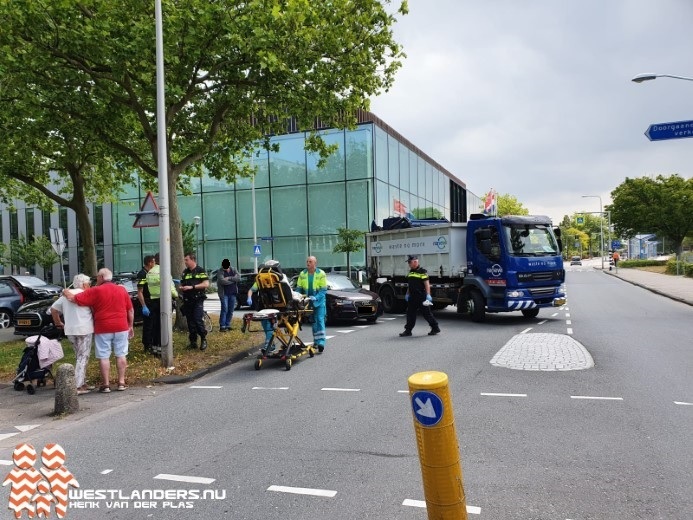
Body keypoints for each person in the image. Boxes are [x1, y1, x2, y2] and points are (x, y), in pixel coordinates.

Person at [64, 268, 134, 393]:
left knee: (103, 356)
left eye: (97, 277)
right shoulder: (122, 290)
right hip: (121, 326)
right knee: (121, 354)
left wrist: (65, 291)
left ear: (101, 277)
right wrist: (131, 326)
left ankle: (106, 385)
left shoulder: (95, 290)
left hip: (103, 327)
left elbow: (74, 298)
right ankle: (121, 382)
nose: (96, 279)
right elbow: (130, 310)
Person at [50, 273, 94, 395]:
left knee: (78, 356)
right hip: (84, 329)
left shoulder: (65, 296)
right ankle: (78, 385)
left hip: (70, 330)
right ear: (85, 284)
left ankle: (82, 381)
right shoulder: (86, 294)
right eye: (89, 284)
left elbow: (53, 310)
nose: (90, 286)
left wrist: (58, 323)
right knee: (83, 357)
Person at [145, 253, 179, 356]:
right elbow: (170, 287)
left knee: (155, 325)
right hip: (164, 301)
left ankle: (155, 347)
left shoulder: (149, 272)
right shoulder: (163, 271)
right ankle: (163, 348)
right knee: (164, 325)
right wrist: (176, 295)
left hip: (153, 301)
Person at [399, 255, 440, 337]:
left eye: (409, 262)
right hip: (412, 297)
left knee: (426, 313)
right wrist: (407, 294)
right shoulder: (411, 272)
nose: (408, 264)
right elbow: (410, 285)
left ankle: (435, 328)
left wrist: (428, 295)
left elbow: (427, 284)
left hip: (421, 296)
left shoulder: (422, 272)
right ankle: (408, 330)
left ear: (415, 262)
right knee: (410, 313)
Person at [295, 256, 328, 352]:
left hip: (319, 302)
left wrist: (316, 297)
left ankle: (321, 341)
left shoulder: (321, 273)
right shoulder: (303, 273)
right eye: (307, 261)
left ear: (315, 263)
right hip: (308, 302)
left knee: (320, 320)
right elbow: (299, 288)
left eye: (310, 261)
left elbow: (323, 290)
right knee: (313, 322)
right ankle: (316, 342)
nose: (308, 263)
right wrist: (298, 297)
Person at [179, 252, 210, 351]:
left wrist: (192, 287)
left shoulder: (200, 270)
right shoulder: (185, 272)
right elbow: (183, 283)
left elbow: (206, 284)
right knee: (190, 322)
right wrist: (182, 288)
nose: (185, 262)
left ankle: (203, 339)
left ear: (193, 260)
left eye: (187, 260)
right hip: (188, 300)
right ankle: (193, 342)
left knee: (197, 319)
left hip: (197, 299)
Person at [136, 255, 156, 353]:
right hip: (147, 301)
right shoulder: (142, 274)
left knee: (153, 324)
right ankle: (147, 345)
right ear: (149, 263)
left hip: (152, 301)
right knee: (148, 324)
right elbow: (140, 291)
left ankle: (151, 343)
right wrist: (144, 306)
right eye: (154, 262)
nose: (155, 264)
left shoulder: (150, 273)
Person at [217, 259, 240, 332]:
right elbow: (222, 281)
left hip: (232, 293)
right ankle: (222, 326)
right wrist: (233, 281)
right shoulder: (220, 271)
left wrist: (229, 278)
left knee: (231, 310)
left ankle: (227, 324)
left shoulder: (234, 270)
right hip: (224, 294)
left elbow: (238, 278)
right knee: (224, 309)